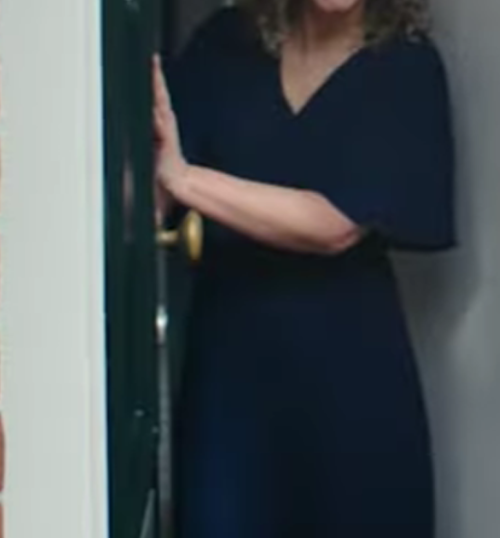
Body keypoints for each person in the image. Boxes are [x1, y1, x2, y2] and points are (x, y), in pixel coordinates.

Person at [151, 0, 455, 535]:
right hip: (230, 373)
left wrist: (188, 181)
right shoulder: (226, 43)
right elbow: (154, 180)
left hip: (350, 384)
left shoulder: (406, 66)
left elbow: (335, 223)